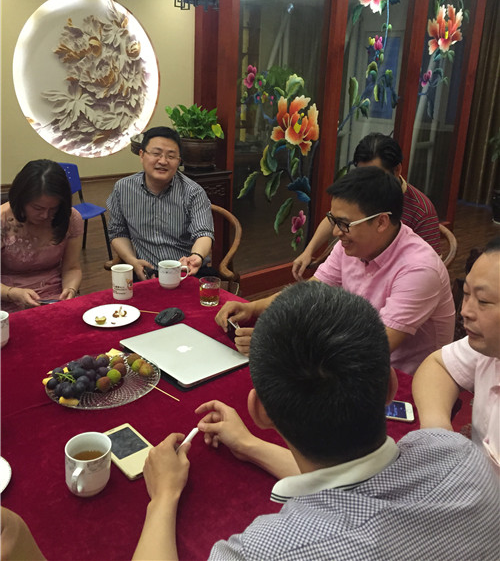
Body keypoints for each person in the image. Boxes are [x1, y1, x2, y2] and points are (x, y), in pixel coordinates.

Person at [132, 283, 498, 561]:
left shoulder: (269, 551)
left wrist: (163, 498)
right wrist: (249, 446)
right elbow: (351, 478)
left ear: (260, 412)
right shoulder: (462, 454)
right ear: (391, 387)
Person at [217, 166, 455, 374]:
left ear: (381, 221)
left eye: (344, 224)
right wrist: (253, 308)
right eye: (333, 220)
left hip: (401, 384)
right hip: (345, 361)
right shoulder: (352, 244)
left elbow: (373, 348)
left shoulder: (419, 269)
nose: (335, 232)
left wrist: (280, 342)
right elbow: (310, 293)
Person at [292, 132, 441, 280]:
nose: (366, 182)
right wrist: (309, 251)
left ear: (397, 170)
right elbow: (335, 219)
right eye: (361, 173)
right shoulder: (359, 195)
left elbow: (430, 267)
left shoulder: (422, 211)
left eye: (374, 175)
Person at [412, 237, 500, 474]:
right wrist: (438, 430)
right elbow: (438, 365)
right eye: (467, 294)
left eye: (483, 301)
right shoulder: (488, 346)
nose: (465, 311)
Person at [106, 126, 214, 281]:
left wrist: (196, 256)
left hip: (186, 272)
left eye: (171, 156)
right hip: (144, 272)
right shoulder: (123, 188)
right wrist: (132, 261)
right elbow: (118, 233)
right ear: (142, 155)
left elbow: (204, 233)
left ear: (179, 161)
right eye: (156, 154)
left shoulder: (193, 192)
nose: (163, 161)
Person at [1, 160, 83, 312]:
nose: (45, 215)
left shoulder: (69, 218)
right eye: (37, 208)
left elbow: (72, 268)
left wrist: (70, 289)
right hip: (8, 299)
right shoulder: (3, 221)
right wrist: (12, 293)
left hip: (55, 297)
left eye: (53, 208)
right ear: (21, 199)